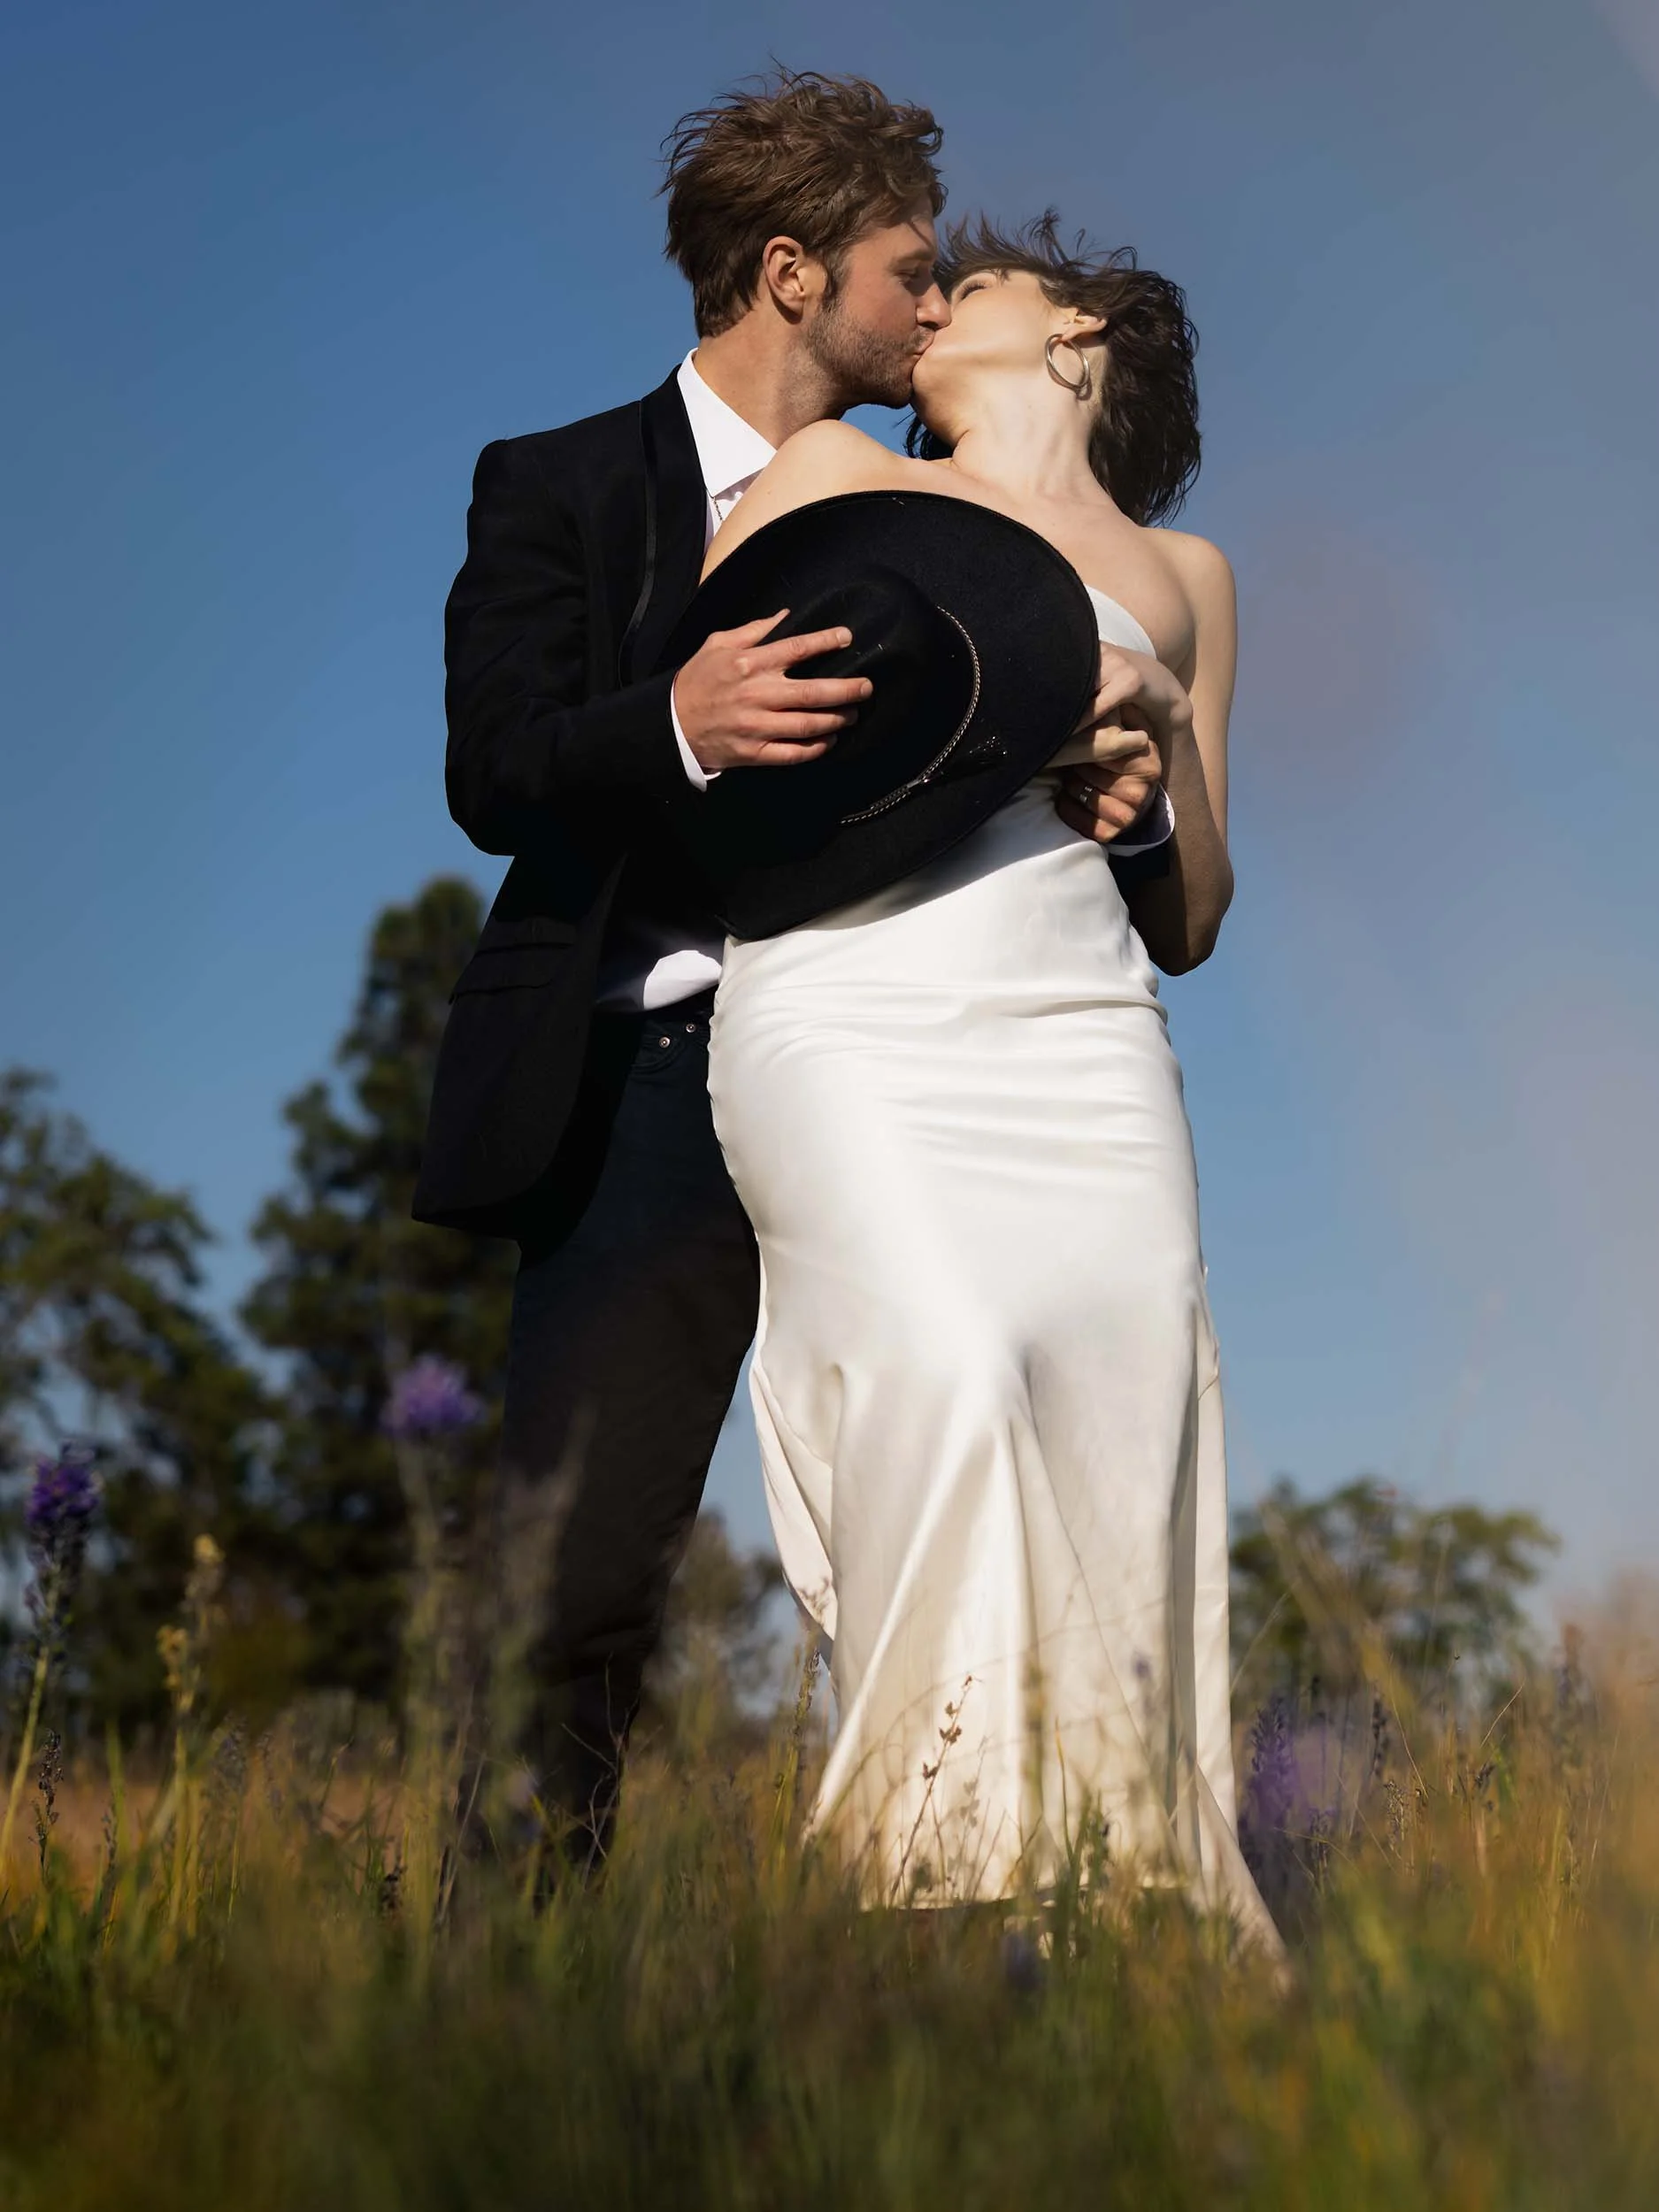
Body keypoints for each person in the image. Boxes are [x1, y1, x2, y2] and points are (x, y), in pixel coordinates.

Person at [412, 80, 1167, 1868]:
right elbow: (492, 760)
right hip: (649, 1094)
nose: (935, 305)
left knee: (958, 1522)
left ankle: (969, 1958)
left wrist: (1105, 781)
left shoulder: (951, 519)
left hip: (901, 1079)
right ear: (787, 272)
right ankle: (500, 2036)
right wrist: (668, 723)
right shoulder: (560, 484)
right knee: (581, 1579)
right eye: (909, 272)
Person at [695, 214, 1277, 1940]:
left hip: (1084, 1042)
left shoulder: (1190, 576)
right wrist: (1035, 696)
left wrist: (1152, 763)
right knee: (941, 1370)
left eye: (980, 283)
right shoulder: (825, 474)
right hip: (856, 999)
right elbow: (753, 739)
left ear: (1079, 329)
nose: (930, 306)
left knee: (1119, 1416)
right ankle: (921, 1904)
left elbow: (1199, 912)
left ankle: (1110, 1911)